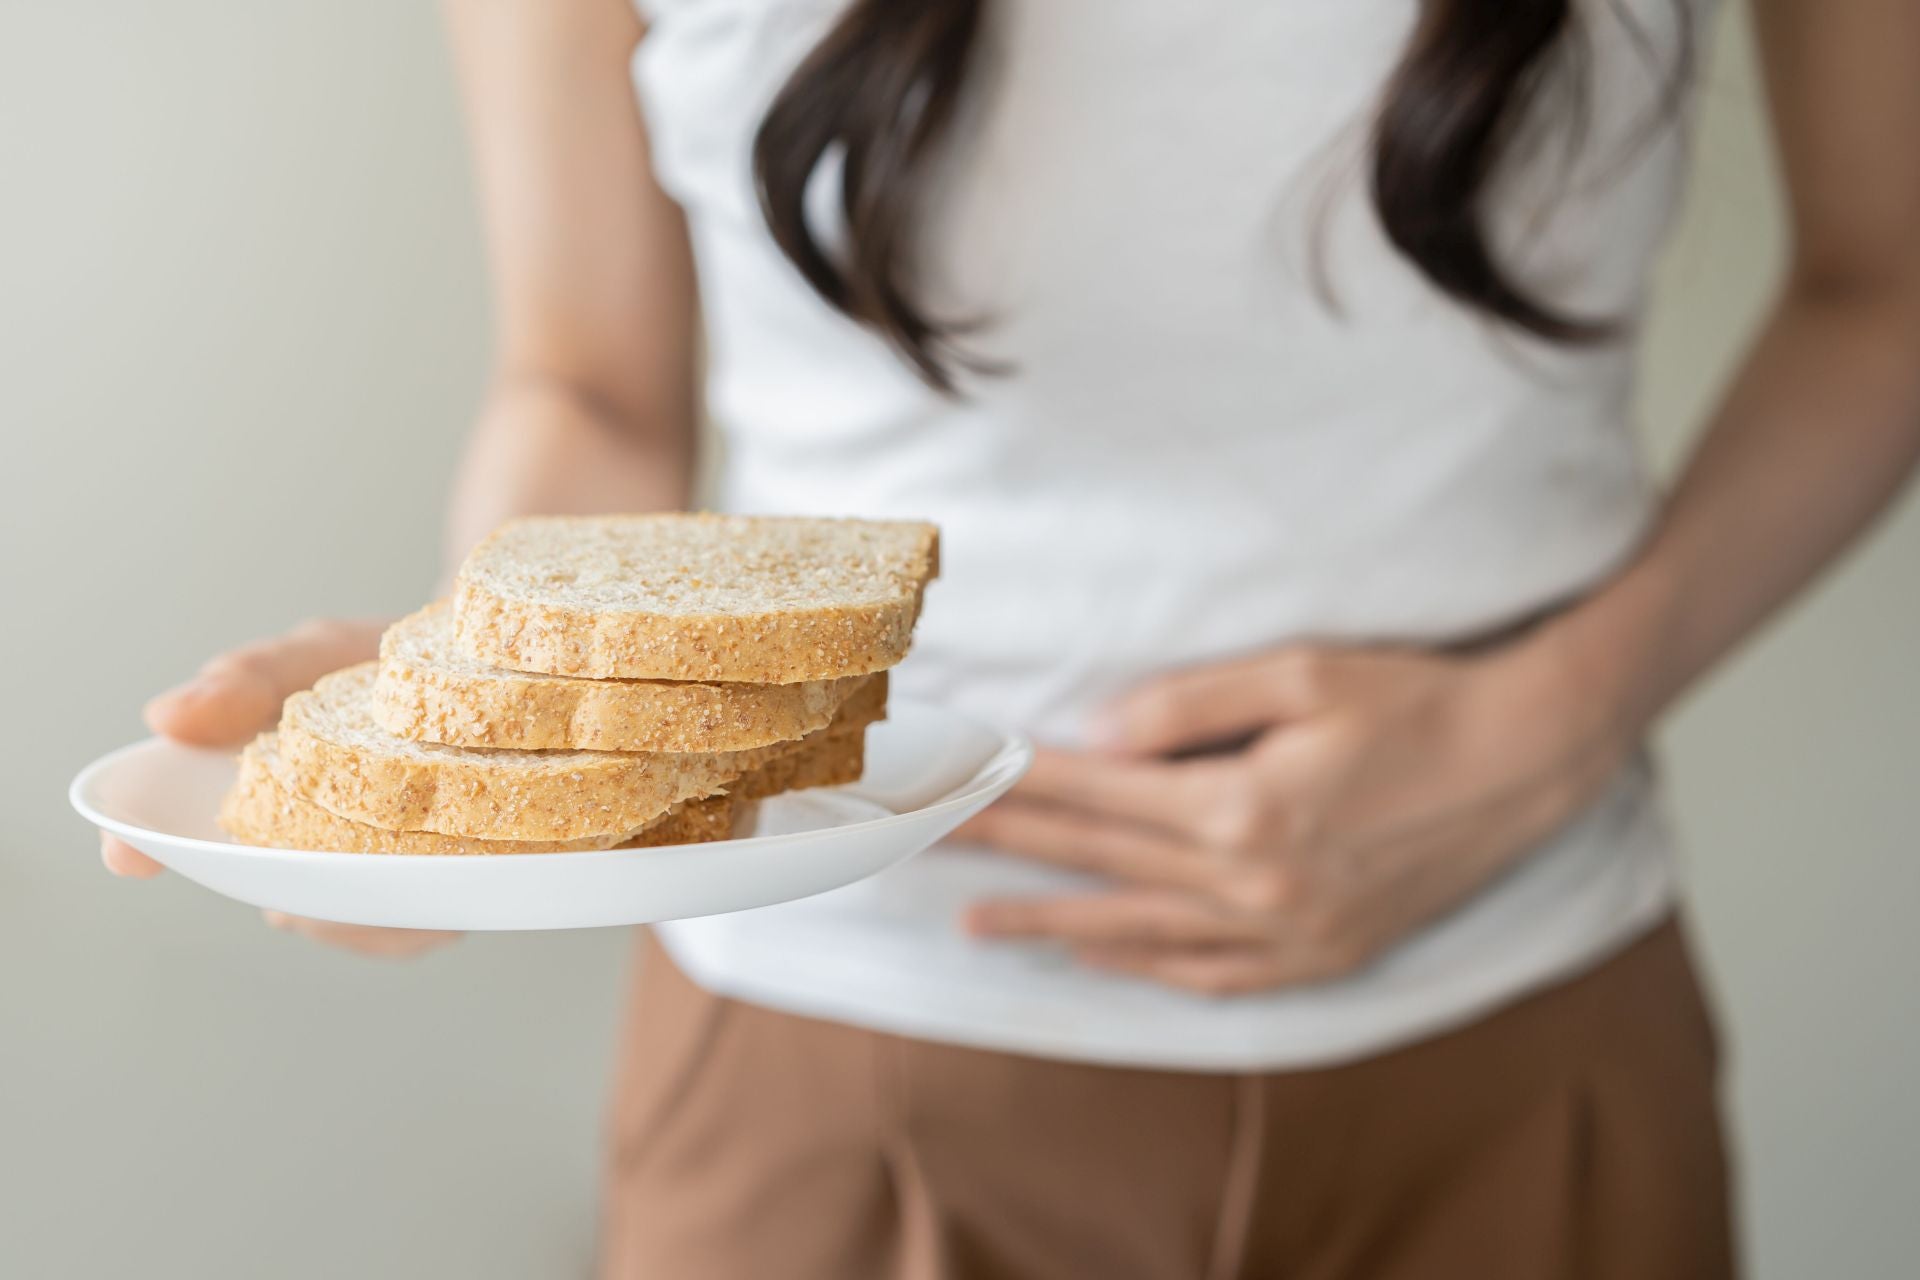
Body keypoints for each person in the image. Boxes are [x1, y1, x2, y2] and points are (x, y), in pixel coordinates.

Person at [98, 1, 1920, 1276]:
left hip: (1527, 1053)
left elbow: (1885, 284)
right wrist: (499, 740)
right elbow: (586, 379)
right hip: (834, 1087)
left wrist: (1562, 716)